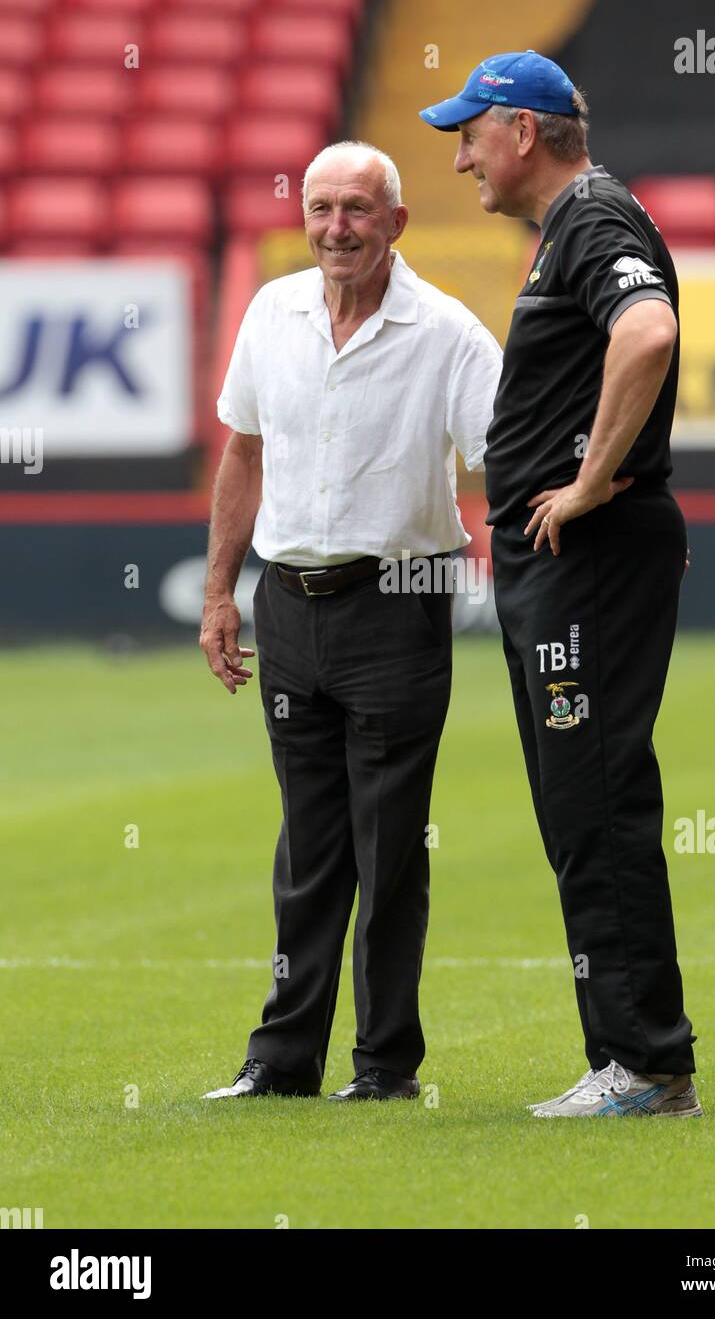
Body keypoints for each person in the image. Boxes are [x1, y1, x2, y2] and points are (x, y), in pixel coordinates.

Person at [420, 52, 702, 1118]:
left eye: (469, 134)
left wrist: (584, 484)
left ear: (522, 132)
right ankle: (634, 1058)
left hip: (585, 559)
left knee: (592, 796)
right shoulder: (579, 222)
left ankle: (642, 1065)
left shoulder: (589, 217)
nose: (459, 160)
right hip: (568, 562)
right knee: (579, 797)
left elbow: (649, 331)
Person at [199, 142, 502, 1103]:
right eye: (321, 208)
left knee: (389, 845)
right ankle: (283, 1063)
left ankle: (384, 1068)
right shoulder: (270, 312)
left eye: (358, 211)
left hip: (401, 597)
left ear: (396, 224)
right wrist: (219, 595)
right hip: (287, 603)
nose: (336, 228)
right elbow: (242, 455)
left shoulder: (450, 334)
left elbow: (507, 458)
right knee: (308, 845)